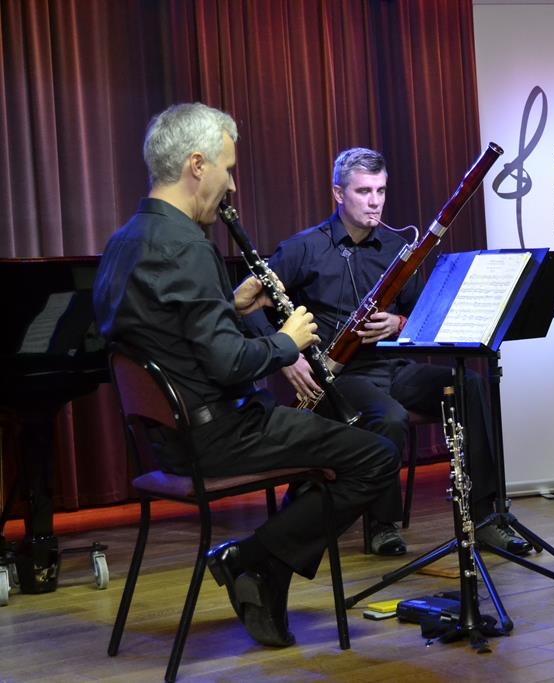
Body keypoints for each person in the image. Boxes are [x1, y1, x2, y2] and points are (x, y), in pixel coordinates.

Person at [93, 103, 398, 648]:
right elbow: (228, 363)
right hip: (219, 435)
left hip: (170, 440)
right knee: (376, 456)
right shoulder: (187, 246)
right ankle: (252, 560)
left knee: (343, 448)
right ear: (197, 165)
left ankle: (262, 570)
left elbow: (173, 335)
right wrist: (287, 342)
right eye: (228, 169)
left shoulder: (125, 241)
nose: (231, 185)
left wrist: (228, 308)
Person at [246, 146, 531, 556]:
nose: (375, 201)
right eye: (363, 191)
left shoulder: (398, 248)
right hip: (339, 377)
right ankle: (383, 525)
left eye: (380, 190)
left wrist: (397, 323)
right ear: (338, 193)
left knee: (468, 385)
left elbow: (422, 316)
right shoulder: (303, 249)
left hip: (393, 367)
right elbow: (247, 306)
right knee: (390, 417)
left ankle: (485, 517)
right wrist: (286, 355)